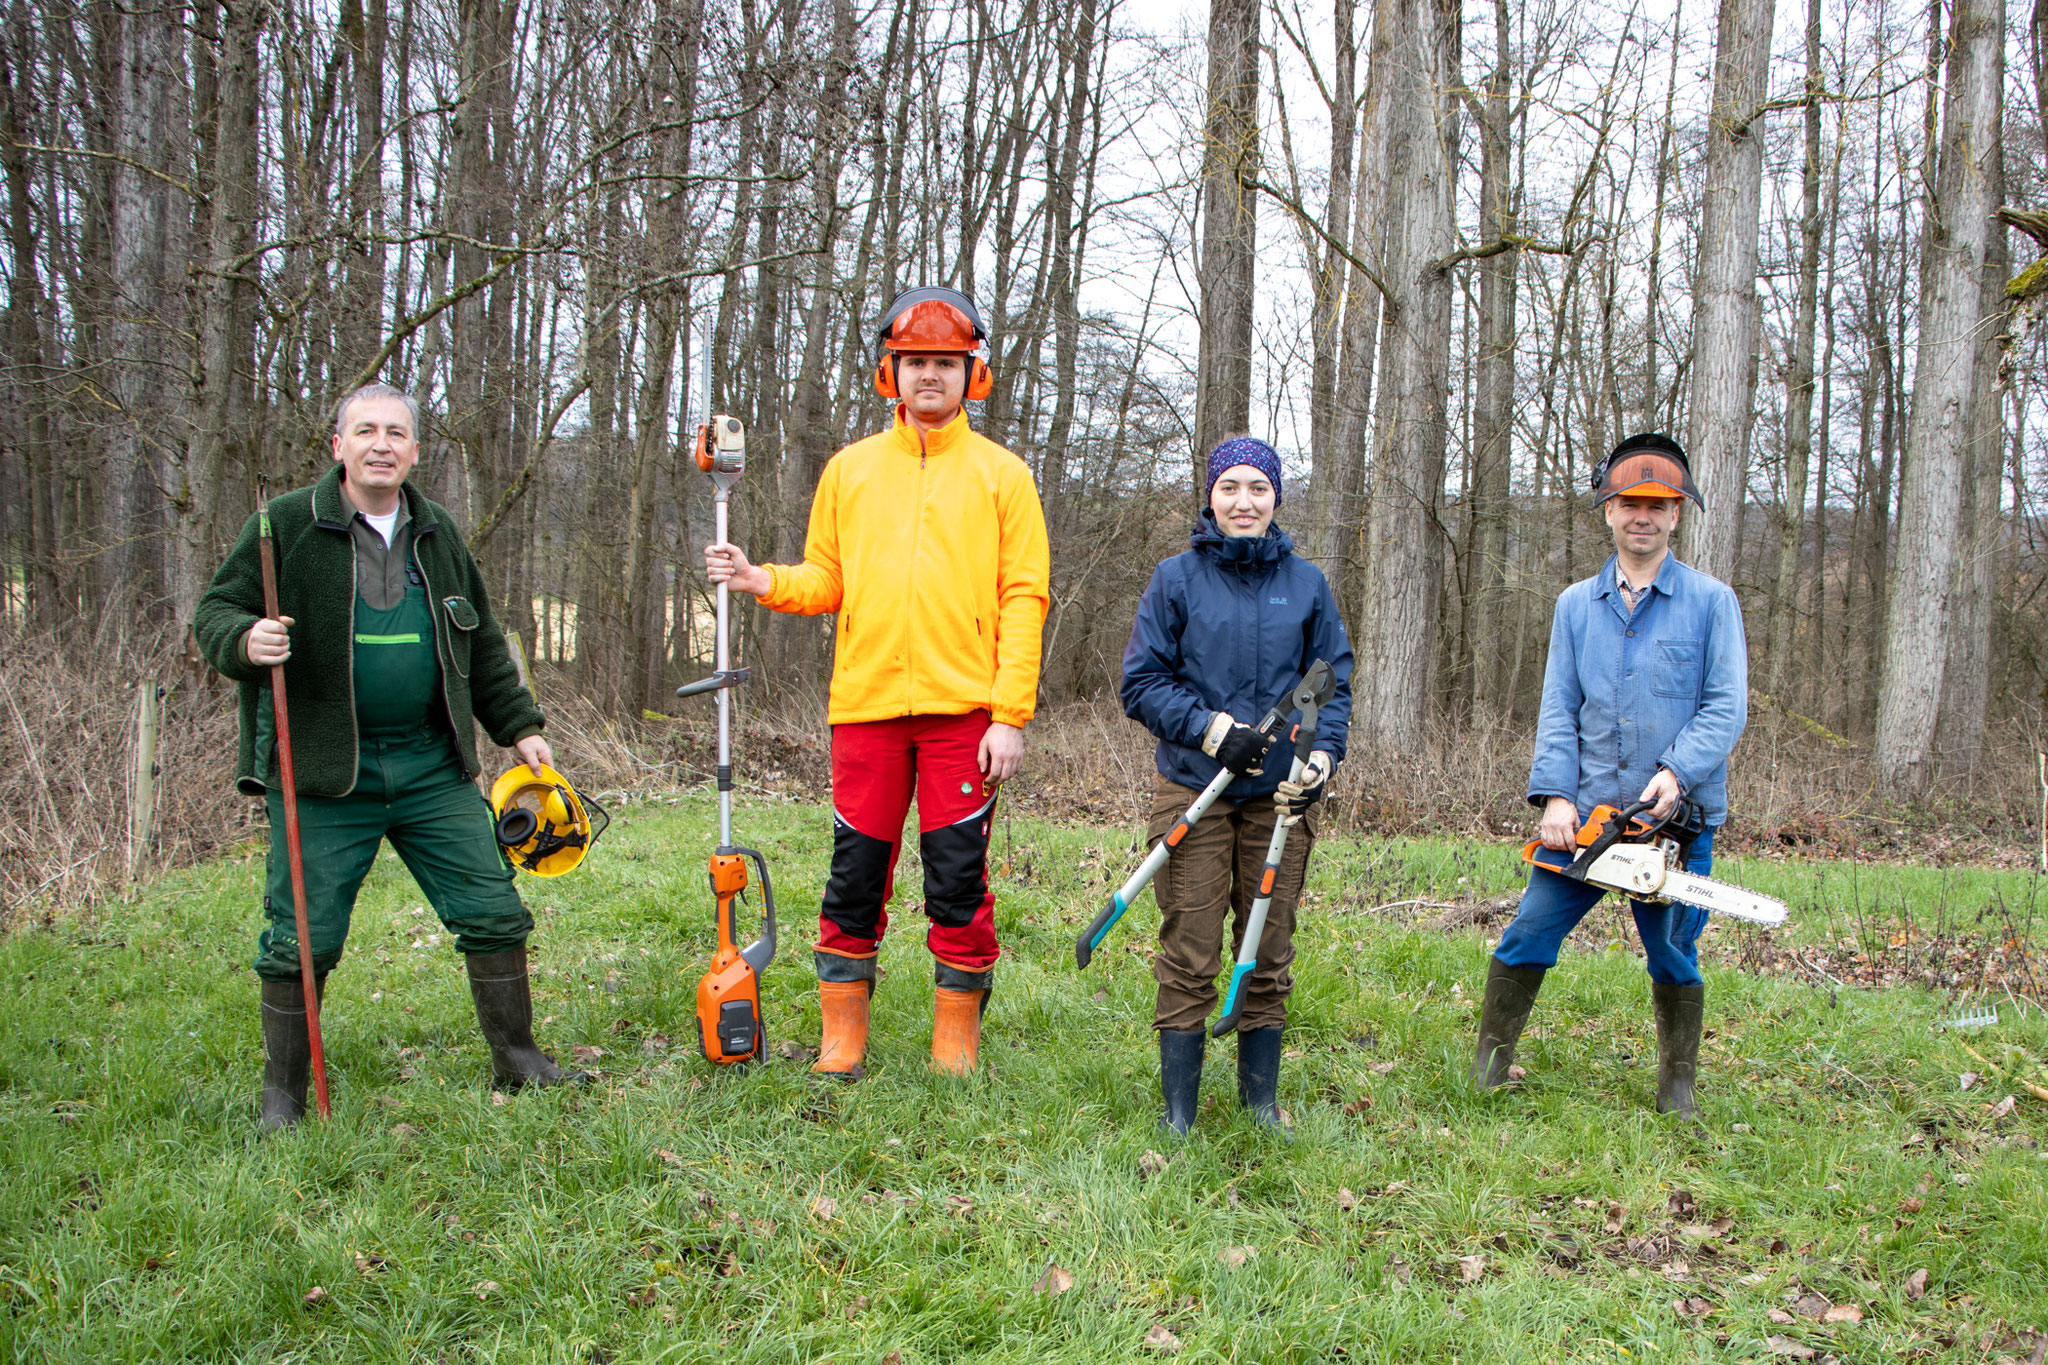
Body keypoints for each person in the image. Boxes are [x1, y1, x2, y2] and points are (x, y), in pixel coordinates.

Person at [194, 383, 583, 1129]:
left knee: (494, 909)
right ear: (338, 445)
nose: (381, 444)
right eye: (365, 430)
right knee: (304, 937)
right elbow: (215, 611)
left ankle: (519, 1059)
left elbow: (481, 641)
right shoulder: (283, 528)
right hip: (322, 772)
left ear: (413, 449)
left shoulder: (436, 533)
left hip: (429, 764)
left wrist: (519, 725)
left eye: (396, 433)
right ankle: (283, 1096)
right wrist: (245, 641)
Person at [704, 286, 1050, 1078]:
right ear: (889, 373)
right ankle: (841, 1038)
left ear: (973, 375)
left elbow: (1024, 597)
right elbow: (826, 578)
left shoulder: (1004, 476)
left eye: (946, 364)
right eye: (915, 362)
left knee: (958, 872)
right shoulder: (849, 470)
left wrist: (1010, 714)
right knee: (856, 868)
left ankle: (954, 1038)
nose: (930, 376)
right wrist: (762, 578)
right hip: (866, 709)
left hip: (966, 714)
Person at [1469, 433, 1747, 1122]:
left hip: (1673, 822)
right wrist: (1557, 794)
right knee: (1527, 932)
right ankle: (1487, 1067)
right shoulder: (1575, 606)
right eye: (1630, 503)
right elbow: (1558, 706)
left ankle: (1677, 1086)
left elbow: (1726, 706)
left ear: (1676, 514)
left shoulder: (1712, 603)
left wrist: (1677, 773)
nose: (1642, 516)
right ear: (1609, 511)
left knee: (1674, 954)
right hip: (1587, 819)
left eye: (1657, 504)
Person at [1120, 437, 1354, 1133]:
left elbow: (1329, 683)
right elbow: (1140, 682)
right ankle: (1179, 1114)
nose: (1244, 501)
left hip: (1281, 801)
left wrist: (1323, 758)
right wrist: (1211, 728)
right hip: (1195, 784)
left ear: (1276, 497)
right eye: (1230, 488)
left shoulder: (1307, 585)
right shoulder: (1176, 579)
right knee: (1190, 945)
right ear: (1211, 496)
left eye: (1258, 487)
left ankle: (1259, 1105)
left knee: (1268, 948)